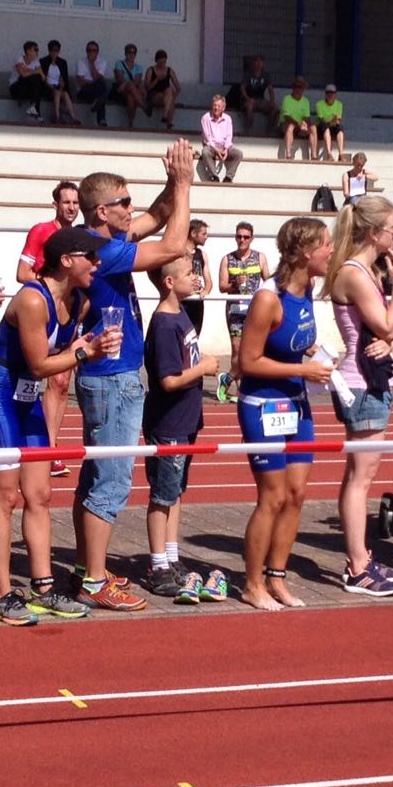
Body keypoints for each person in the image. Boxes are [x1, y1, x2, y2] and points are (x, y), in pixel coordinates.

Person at [71, 139, 194, 611]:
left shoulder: (103, 239)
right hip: (113, 378)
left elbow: (159, 214)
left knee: (95, 476)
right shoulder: (105, 250)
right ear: (102, 211)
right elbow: (173, 245)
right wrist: (184, 185)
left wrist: (174, 183)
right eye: (124, 202)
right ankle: (94, 580)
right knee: (112, 482)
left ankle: (89, 566)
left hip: (108, 377)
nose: (131, 208)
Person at [0, 228, 110, 624]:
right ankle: (1, 593)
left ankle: (43, 588)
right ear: (66, 260)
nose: (97, 263)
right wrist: (84, 353)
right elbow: (38, 365)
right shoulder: (33, 299)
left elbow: (61, 355)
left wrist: (87, 348)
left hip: (26, 399)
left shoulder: (78, 301)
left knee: (41, 494)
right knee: (5, 495)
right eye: (90, 257)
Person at [237, 217, 335, 609]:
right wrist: (304, 370)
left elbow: (293, 340)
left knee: (296, 494)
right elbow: (248, 361)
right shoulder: (268, 298)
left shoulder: (307, 288)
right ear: (306, 252)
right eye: (327, 244)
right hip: (263, 404)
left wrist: (317, 356)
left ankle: (276, 577)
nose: (332, 251)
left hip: (297, 402)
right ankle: (252, 583)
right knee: (273, 497)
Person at [324, 195, 393, 595]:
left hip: (370, 379)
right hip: (361, 384)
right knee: (361, 477)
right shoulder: (355, 273)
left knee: (361, 475)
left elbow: (385, 334)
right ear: (374, 233)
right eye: (392, 228)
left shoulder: (366, 271)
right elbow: (386, 325)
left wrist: (389, 342)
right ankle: (357, 566)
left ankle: (361, 557)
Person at [142, 256, 221, 601]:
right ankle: (157, 564)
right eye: (190, 273)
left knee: (174, 492)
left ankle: (171, 556)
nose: (196, 277)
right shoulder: (163, 324)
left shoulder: (182, 314)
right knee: (162, 495)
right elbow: (169, 380)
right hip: (168, 422)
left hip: (186, 419)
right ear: (170, 282)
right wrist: (203, 368)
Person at [16, 180, 81, 477]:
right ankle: (27, 442)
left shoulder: (80, 238)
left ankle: (51, 447)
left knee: (62, 382)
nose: (71, 207)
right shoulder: (41, 231)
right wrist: (49, 288)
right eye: (66, 202)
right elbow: (22, 273)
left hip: (69, 311)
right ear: (55, 204)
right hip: (44, 312)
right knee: (36, 375)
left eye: (75, 203)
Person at [217, 222, 269, 403]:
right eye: (239, 236)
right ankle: (240, 390)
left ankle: (229, 379)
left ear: (252, 238)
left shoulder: (260, 257)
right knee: (237, 350)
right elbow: (221, 286)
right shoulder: (227, 259)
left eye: (246, 237)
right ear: (235, 237)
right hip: (235, 309)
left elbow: (268, 281)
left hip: (255, 309)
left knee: (254, 350)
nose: (242, 240)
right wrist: (235, 284)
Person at [199, 94, 243, 183]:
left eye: (219, 106)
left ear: (223, 108)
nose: (216, 108)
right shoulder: (205, 118)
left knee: (238, 154)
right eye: (214, 105)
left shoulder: (227, 119)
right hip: (211, 147)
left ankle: (228, 177)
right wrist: (216, 150)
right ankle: (214, 176)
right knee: (205, 151)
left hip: (224, 147)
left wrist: (226, 149)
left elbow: (229, 136)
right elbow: (207, 139)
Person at [182, 218, 213, 335]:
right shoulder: (179, 252)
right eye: (203, 234)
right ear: (193, 233)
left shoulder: (202, 255)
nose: (206, 237)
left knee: (194, 336)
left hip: (197, 303)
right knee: (181, 337)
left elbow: (208, 281)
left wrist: (205, 291)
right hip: (182, 301)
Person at [8, 40, 49, 121]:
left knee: (37, 80)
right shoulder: (20, 60)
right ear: (28, 51)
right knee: (35, 77)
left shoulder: (36, 62)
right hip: (16, 87)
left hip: (28, 89)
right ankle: (35, 110)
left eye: (37, 50)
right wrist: (35, 71)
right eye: (35, 50)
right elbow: (23, 75)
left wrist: (35, 72)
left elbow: (43, 77)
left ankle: (34, 109)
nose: (37, 52)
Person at [39, 39, 77, 125]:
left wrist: (62, 85)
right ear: (49, 50)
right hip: (47, 88)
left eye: (56, 50)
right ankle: (57, 116)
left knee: (65, 93)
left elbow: (64, 78)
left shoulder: (62, 62)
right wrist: (51, 87)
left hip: (59, 87)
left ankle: (73, 117)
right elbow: (43, 79)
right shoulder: (43, 61)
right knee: (57, 92)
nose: (54, 52)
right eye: (52, 50)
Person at [236, 54, 276, 135]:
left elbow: (271, 90)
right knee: (249, 107)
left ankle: (269, 131)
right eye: (256, 61)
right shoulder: (248, 74)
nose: (259, 64)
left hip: (260, 100)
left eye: (261, 61)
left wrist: (272, 101)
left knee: (274, 108)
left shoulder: (266, 75)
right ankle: (249, 130)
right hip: (248, 99)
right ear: (253, 63)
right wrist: (248, 98)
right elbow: (242, 88)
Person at [279, 77, 316, 160]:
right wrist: (299, 124)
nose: (297, 89)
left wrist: (305, 124)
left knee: (313, 128)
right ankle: (288, 154)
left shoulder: (306, 101)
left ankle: (314, 155)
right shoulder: (287, 99)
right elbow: (287, 117)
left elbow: (306, 117)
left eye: (300, 87)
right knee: (290, 126)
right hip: (286, 124)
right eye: (295, 86)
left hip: (299, 126)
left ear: (303, 89)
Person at [74, 40, 109, 127]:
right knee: (102, 89)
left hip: (96, 90)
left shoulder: (102, 62)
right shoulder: (80, 61)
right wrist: (93, 82)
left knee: (101, 88)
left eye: (94, 50)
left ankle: (100, 116)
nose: (91, 52)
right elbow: (80, 82)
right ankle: (101, 119)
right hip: (84, 91)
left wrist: (92, 63)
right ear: (86, 51)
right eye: (89, 50)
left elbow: (96, 78)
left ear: (97, 52)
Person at [143, 49, 180, 129]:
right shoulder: (151, 70)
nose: (163, 64)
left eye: (164, 62)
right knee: (168, 99)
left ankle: (165, 116)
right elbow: (147, 87)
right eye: (161, 62)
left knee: (169, 91)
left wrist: (175, 96)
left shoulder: (169, 70)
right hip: (154, 95)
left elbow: (178, 87)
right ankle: (169, 122)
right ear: (156, 61)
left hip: (166, 95)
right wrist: (156, 80)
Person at [111, 43, 146, 128]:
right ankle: (143, 105)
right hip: (121, 91)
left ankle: (130, 123)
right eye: (129, 52)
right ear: (125, 53)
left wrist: (127, 84)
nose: (131, 54)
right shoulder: (119, 64)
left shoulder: (138, 67)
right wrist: (127, 84)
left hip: (132, 92)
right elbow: (120, 80)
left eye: (133, 52)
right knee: (130, 85)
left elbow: (137, 82)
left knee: (131, 96)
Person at [315, 84, 346, 161]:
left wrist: (333, 120)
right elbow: (322, 120)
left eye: (332, 93)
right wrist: (332, 120)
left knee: (340, 129)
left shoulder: (339, 104)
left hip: (333, 125)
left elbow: (338, 120)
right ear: (325, 94)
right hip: (322, 127)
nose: (330, 95)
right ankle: (329, 153)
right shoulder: (319, 104)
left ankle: (341, 154)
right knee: (326, 127)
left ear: (335, 94)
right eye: (328, 93)